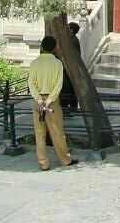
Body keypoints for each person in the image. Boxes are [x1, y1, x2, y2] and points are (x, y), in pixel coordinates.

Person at [28, 35, 79, 170]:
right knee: (57, 132)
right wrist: (49, 100)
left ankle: (43, 163)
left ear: (42, 47)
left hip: (38, 103)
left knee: (40, 134)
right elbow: (58, 85)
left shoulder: (34, 63)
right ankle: (65, 159)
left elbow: (31, 84)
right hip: (53, 103)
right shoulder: (57, 63)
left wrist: (39, 100)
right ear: (54, 48)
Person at [60, 22, 81, 111]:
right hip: (68, 68)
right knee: (68, 89)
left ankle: (70, 108)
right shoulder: (71, 39)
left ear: (72, 30)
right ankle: (70, 107)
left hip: (69, 69)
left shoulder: (73, 40)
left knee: (68, 89)